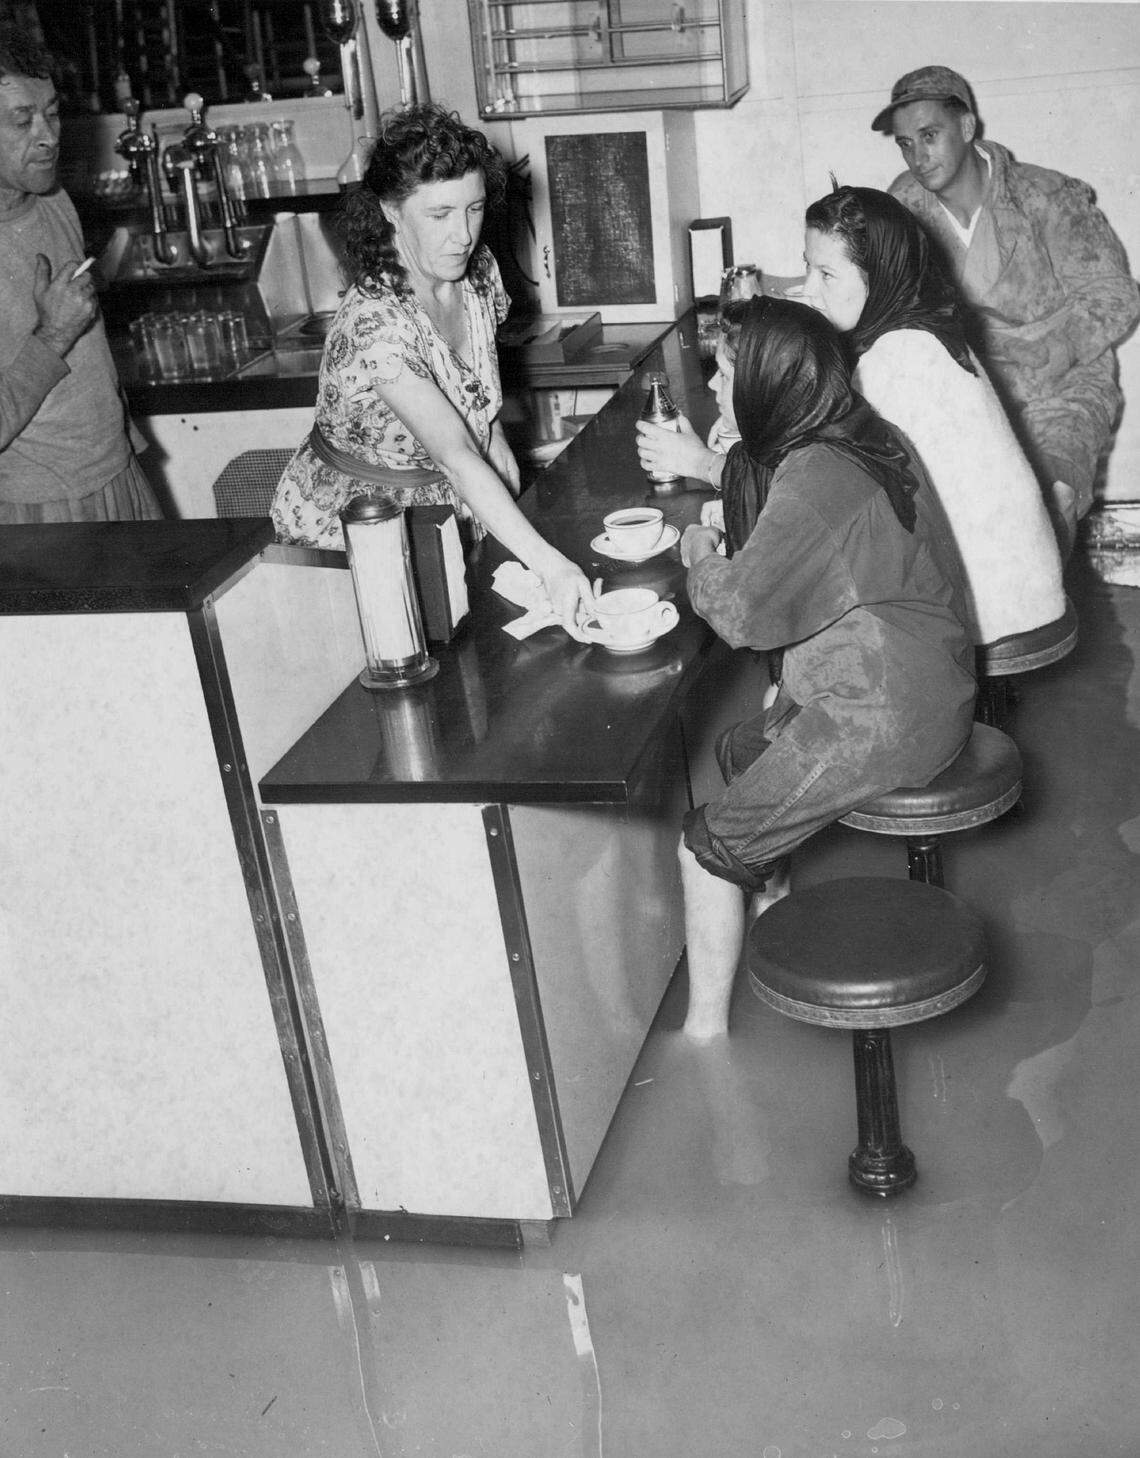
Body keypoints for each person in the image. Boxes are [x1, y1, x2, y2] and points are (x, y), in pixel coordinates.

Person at [649, 297, 976, 1041]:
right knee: (743, 750)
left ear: (767, 381)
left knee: (705, 846)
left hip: (883, 713)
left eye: (725, 371)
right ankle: (773, 919)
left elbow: (740, 616)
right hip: (932, 680)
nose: (717, 386)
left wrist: (698, 554)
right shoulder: (858, 431)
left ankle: (703, 1037)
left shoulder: (815, 479)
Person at [272, 102, 591, 636]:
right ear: (391, 211)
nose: (463, 234)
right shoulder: (376, 322)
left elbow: (473, 389)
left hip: (444, 505)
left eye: (474, 209)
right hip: (354, 531)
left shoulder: (477, 273)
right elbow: (454, 453)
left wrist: (499, 451)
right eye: (439, 215)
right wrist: (551, 563)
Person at [872, 66, 1139, 554]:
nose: (918, 156)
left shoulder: (1046, 197)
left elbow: (1115, 295)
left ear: (968, 128)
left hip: (1061, 387)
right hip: (967, 391)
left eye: (929, 136)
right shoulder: (904, 205)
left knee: (1047, 510)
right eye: (906, 143)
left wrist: (1056, 348)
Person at [798, 184, 1066, 648]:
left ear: (877, 275)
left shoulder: (897, 357)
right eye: (808, 267)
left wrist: (712, 466)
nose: (808, 291)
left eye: (826, 273)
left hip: (992, 608)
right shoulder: (926, 331)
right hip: (1023, 588)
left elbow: (829, 490)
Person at [0, 23, 161, 524]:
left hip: (116, 470)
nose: (48, 137)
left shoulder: (53, 201)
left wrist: (123, 441)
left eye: (51, 114)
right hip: (35, 504)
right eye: (22, 120)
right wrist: (53, 335)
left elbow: (92, 356)